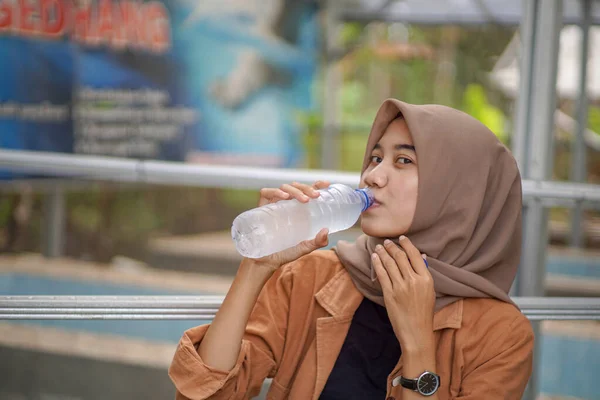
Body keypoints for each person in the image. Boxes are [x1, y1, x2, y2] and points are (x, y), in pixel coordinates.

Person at [169, 99, 534, 400]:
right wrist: (255, 268)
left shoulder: (501, 335)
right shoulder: (310, 278)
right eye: (375, 158)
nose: (372, 176)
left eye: (403, 161)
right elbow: (205, 396)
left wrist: (418, 343)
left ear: (460, 194)